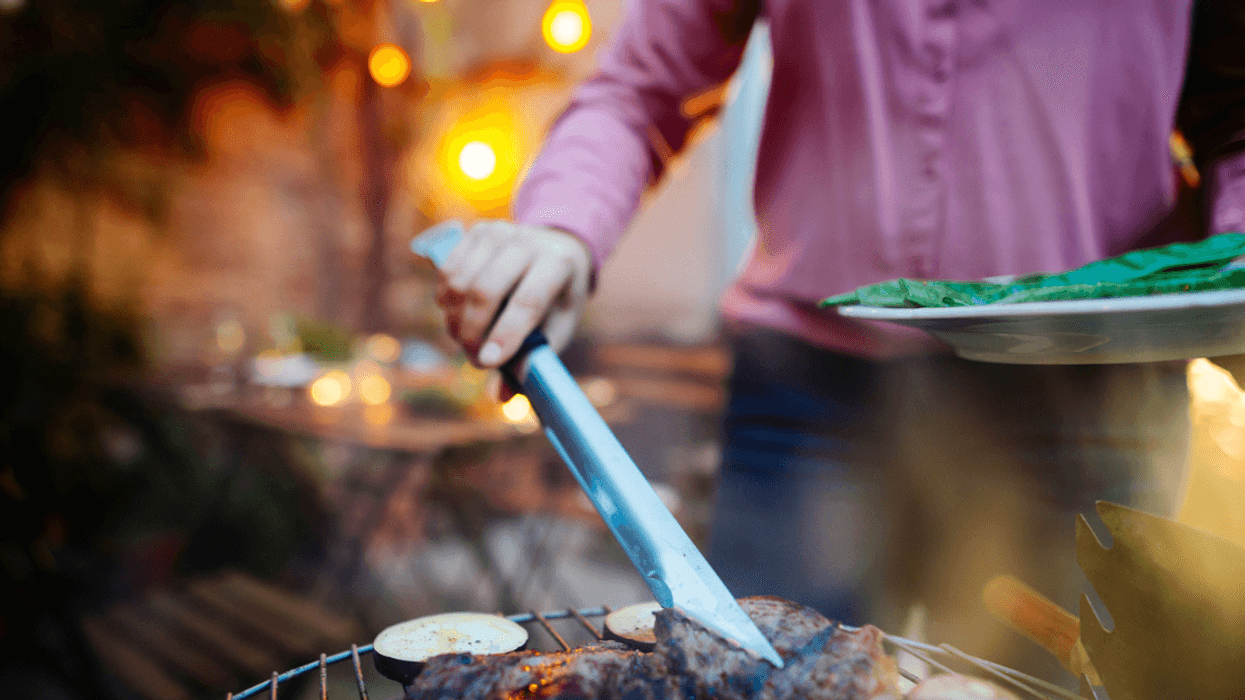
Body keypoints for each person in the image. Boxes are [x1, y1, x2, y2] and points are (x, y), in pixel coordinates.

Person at [433, 0, 1245, 677]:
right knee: (751, 681)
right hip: (810, 399)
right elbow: (640, 86)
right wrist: (557, 230)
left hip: (1084, 398)